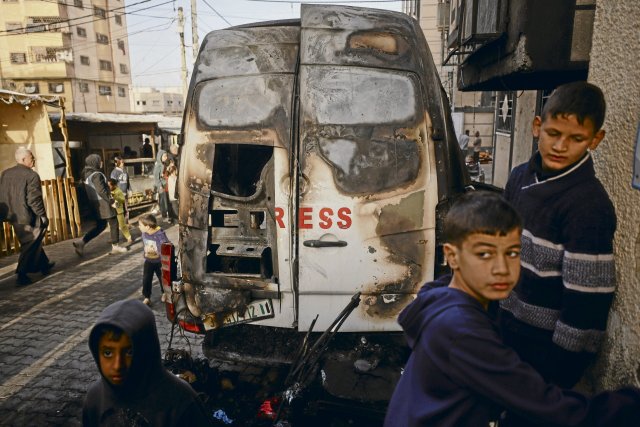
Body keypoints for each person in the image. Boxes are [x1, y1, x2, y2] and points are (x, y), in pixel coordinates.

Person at [384, 191, 640, 427]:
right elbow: (549, 408)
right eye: (485, 254)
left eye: (512, 253)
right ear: (452, 256)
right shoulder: (460, 329)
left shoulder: (443, 296)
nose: (502, 268)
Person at [499, 81, 616, 390]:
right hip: (505, 326)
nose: (561, 147)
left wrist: (559, 371)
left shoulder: (589, 206)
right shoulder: (519, 177)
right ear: (538, 126)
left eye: (576, 138)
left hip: (546, 350)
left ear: (595, 140)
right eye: (554, 134)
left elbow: (586, 300)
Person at [82, 299, 212, 426]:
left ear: (146, 350)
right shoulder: (96, 399)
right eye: (108, 353)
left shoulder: (181, 403)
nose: (117, 365)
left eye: (129, 352)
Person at [0, 147, 54, 286]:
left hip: (12, 214)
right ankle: (21, 274)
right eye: (32, 157)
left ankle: (44, 265)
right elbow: (34, 200)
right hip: (27, 216)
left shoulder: (6, 173)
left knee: (31, 240)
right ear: (24, 159)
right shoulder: (31, 175)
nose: (34, 159)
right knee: (31, 241)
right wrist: (42, 216)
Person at [73, 154, 128, 256]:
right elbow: (101, 190)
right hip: (104, 203)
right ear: (95, 162)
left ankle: (81, 242)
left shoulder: (86, 173)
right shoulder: (97, 174)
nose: (101, 162)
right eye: (100, 161)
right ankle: (115, 246)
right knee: (114, 222)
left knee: (100, 226)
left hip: (94, 203)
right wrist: (111, 201)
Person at [138, 213, 169, 305]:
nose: (138, 227)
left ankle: (165, 293)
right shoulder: (144, 234)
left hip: (159, 261)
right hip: (149, 260)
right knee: (146, 279)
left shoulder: (160, 234)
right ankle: (147, 297)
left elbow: (166, 246)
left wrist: (165, 259)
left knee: (162, 278)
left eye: (140, 225)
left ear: (147, 226)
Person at [107, 178, 132, 244]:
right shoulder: (108, 191)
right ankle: (113, 239)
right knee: (113, 226)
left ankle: (129, 237)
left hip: (119, 211)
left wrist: (115, 197)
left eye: (109, 185)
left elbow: (123, 200)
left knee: (122, 225)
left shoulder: (118, 191)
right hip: (112, 211)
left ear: (114, 185)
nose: (108, 187)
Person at [153, 149, 170, 221]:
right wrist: (159, 186)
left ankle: (166, 214)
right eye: (164, 156)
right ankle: (164, 216)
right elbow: (156, 177)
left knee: (166, 200)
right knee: (163, 201)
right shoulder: (158, 166)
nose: (166, 157)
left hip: (165, 184)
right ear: (160, 157)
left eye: (166, 156)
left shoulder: (163, 164)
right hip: (161, 186)